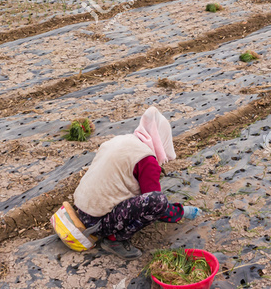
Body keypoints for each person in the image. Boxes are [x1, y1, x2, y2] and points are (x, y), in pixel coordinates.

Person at [71, 107, 201, 260]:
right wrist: (181, 212)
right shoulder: (147, 160)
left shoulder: (121, 140)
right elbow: (158, 206)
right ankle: (114, 240)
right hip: (95, 223)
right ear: (161, 139)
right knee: (157, 201)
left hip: (81, 208)